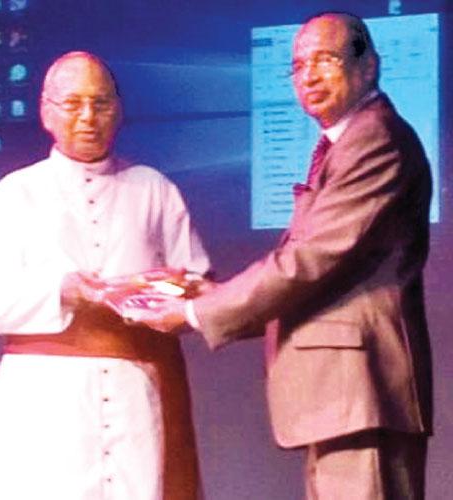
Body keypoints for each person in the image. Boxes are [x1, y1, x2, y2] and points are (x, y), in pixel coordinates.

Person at [140, 12, 433, 499]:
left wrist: (195, 311)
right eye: (298, 66)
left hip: (363, 393)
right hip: (345, 399)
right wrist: (218, 293)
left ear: (369, 67)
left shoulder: (375, 139)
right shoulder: (346, 142)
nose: (309, 76)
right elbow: (319, 268)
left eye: (325, 60)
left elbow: (308, 261)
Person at [0, 51, 210, 500]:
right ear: (46, 111)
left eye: (101, 103)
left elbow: (196, 280)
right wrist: (64, 292)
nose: (88, 117)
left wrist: (165, 290)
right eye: (73, 104)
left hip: (135, 386)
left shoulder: (154, 188)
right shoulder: (16, 193)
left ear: (119, 108)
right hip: (44, 397)